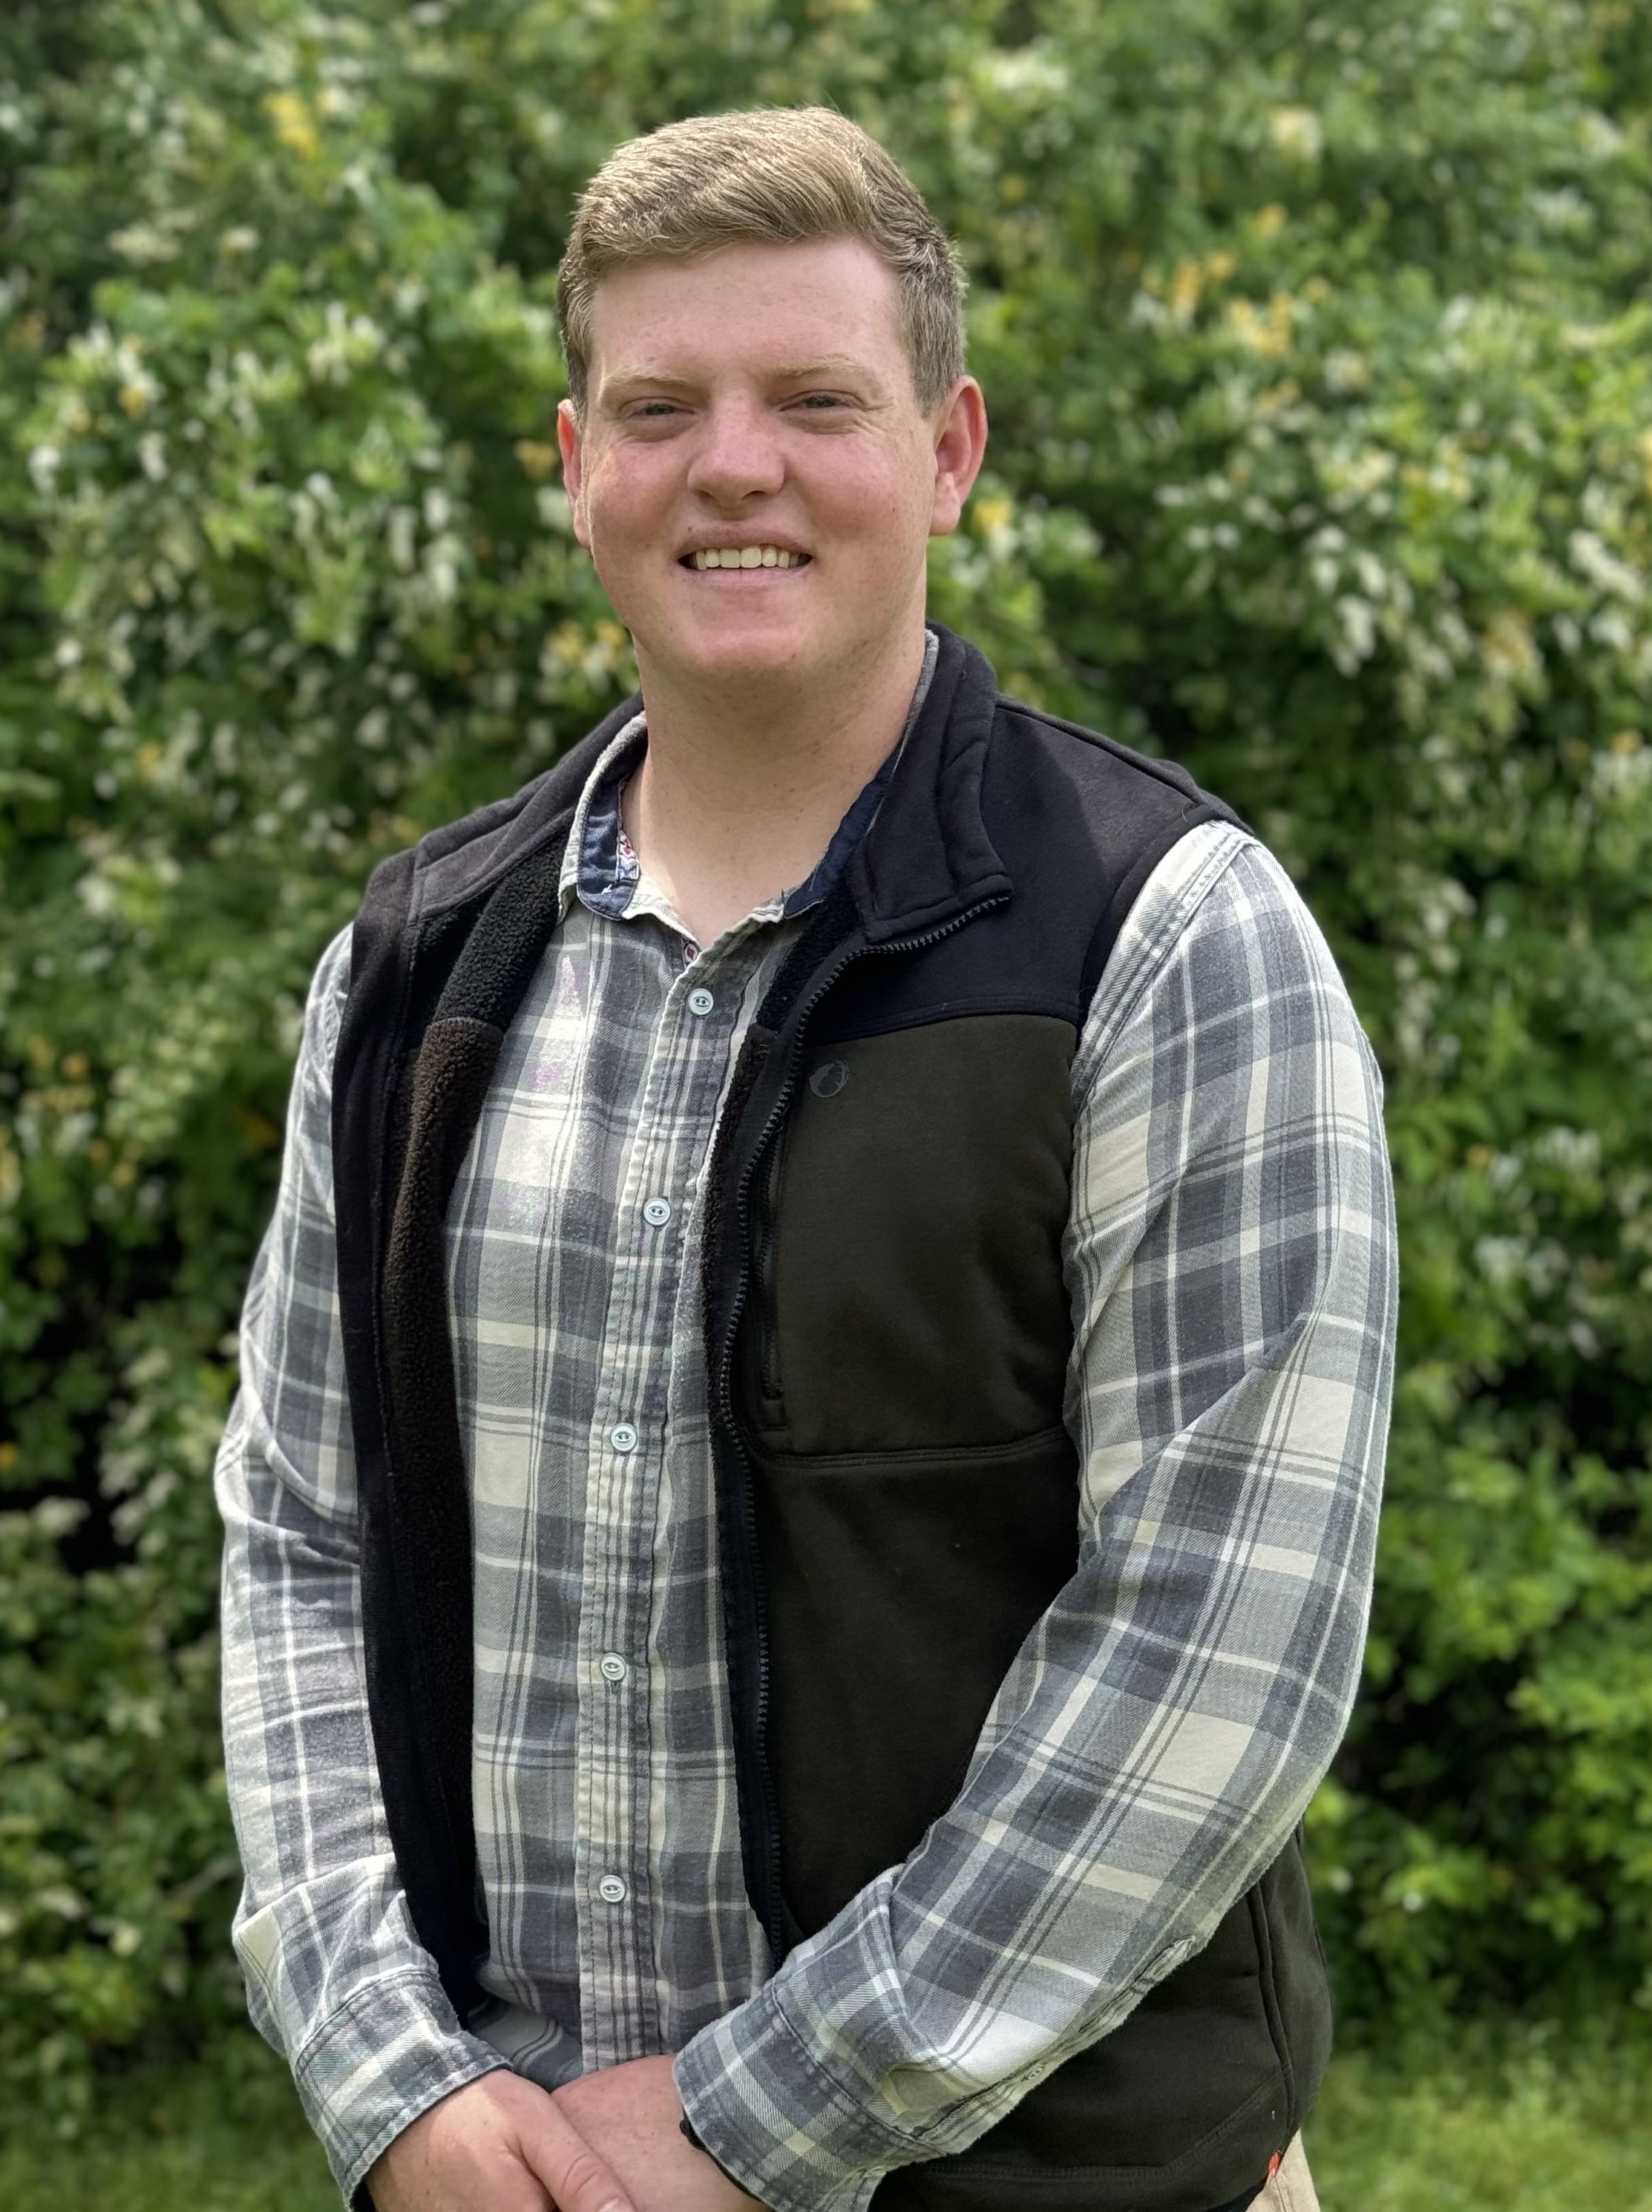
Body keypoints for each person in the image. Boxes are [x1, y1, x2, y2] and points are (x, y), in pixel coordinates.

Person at [215, 108, 1395, 2212]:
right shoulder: (413, 968)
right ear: (575, 462)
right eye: (658, 407)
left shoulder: (1167, 940)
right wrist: (388, 2074)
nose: (731, 466)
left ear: (947, 451)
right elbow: (303, 1537)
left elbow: (1223, 1645)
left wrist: (750, 2121)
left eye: (814, 402)